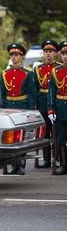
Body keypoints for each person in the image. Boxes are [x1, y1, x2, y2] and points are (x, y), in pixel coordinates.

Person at [0, 43, 36, 175]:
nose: (14, 57)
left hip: (22, 107)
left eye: (17, 55)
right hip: (9, 107)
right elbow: (2, 94)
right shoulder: (5, 73)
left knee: (22, 138)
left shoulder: (28, 73)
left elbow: (32, 93)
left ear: (21, 57)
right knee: (10, 138)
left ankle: (21, 165)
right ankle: (12, 165)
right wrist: (1, 109)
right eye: (12, 55)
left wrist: (31, 110)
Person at [35, 39, 60, 168]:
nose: (48, 54)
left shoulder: (59, 67)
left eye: (51, 51)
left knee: (57, 133)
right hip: (42, 104)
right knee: (45, 133)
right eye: (46, 51)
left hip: (56, 102)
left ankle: (58, 157)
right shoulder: (38, 69)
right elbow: (35, 88)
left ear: (55, 53)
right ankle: (46, 159)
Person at [47, 41, 67, 175]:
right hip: (60, 108)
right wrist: (50, 109)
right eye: (63, 53)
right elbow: (51, 92)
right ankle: (64, 165)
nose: (65, 56)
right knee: (61, 138)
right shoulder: (56, 71)